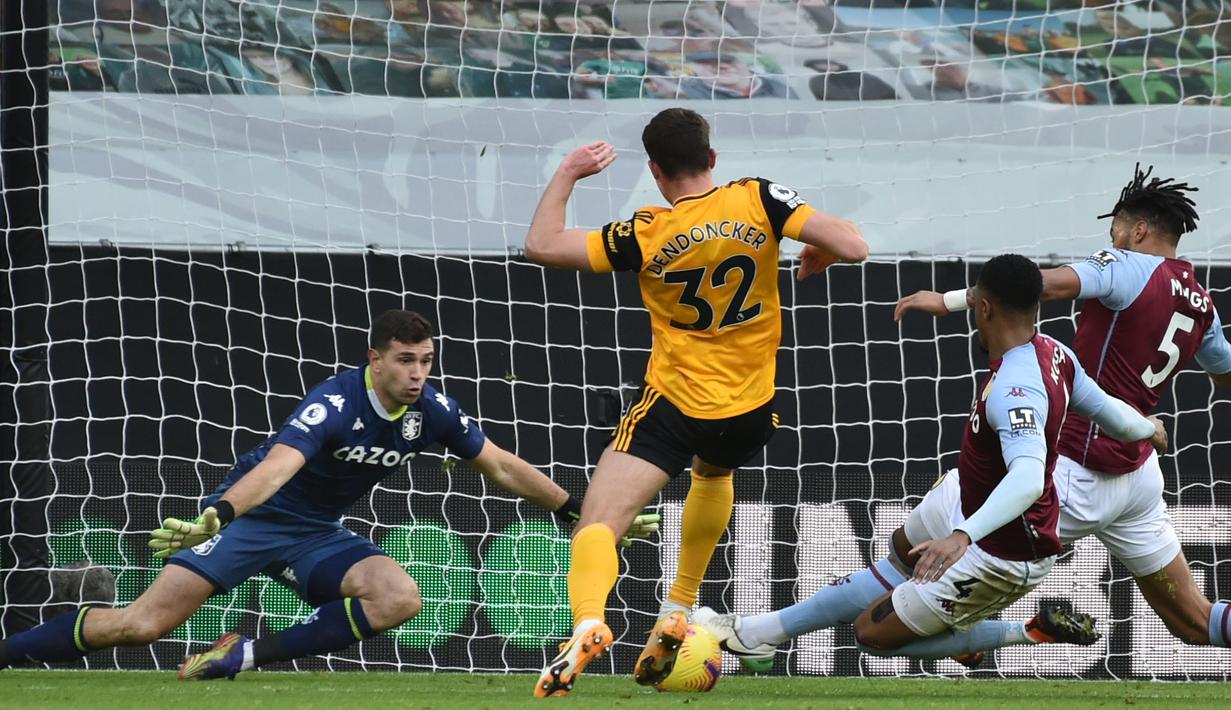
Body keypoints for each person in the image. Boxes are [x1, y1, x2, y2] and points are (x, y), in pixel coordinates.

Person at [0, 310, 656, 678]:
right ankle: (8, 653)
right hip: (256, 517)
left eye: (426, 360)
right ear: (375, 359)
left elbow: (502, 467)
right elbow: (277, 468)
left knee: (399, 597)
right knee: (139, 626)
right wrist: (217, 515)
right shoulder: (335, 404)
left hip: (314, 531)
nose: (417, 373)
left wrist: (576, 510)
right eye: (405, 360)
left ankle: (244, 655)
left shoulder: (433, 411)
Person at [522, 107, 867, 697]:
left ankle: (588, 622)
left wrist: (569, 174)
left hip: (675, 402)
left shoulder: (645, 231)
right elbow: (855, 245)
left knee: (598, 523)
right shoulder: (758, 199)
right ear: (712, 158)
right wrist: (822, 250)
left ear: (656, 171)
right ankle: (678, 607)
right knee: (715, 473)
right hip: (749, 407)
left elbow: (541, 246)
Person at [697, 255, 1167, 665]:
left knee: (870, 634)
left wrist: (961, 537)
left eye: (975, 305)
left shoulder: (1014, 389)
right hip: (968, 496)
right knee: (901, 552)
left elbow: (1026, 478)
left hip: (1003, 550)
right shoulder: (1057, 353)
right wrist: (1150, 428)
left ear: (985, 308)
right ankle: (758, 636)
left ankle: (1026, 631)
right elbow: (1114, 416)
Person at [892, 165, 1231, 657]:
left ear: (1137, 230)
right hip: (1135, 477)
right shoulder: (1203, 305)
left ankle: (961, 632)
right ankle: (965, 632)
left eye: (1115, 226)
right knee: (1195, 621)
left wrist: (948, 300)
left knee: (912, 546)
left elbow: (1037, 285)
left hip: (1073, 471)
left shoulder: (1122, 263)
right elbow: (1224, 375)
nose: (1110, 236)